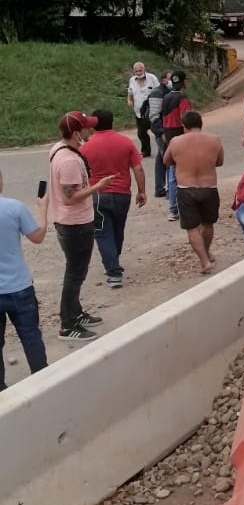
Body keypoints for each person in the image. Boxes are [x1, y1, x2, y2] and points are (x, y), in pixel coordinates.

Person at [49, 111, 115, 341]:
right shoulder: (68, 160)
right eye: (87, 128)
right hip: (75, 223)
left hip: (69, 222)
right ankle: (67, 324)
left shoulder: (61, 149)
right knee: (75, 273)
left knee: (77, 270)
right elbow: (70, 197)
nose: (91, 130)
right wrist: (99, 186)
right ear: (77, 133)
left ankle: (75, 313)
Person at [82, 109, 147, 288]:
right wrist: (142, 191)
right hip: (122, 195)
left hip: (97, 195)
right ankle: (113, 261)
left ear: (94, 124)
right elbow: (138, 168)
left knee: (103, 233)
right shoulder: (125, 142)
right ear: (113, 122)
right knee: (118, 231)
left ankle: (113, 271)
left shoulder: (85, 147)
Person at [0, 167, 49, 391]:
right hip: (19, 286)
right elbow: (37, 237)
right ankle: (42, 384)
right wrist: (43, 209)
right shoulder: (14, 208)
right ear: (0, 180)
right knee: (31, 338)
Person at [163, 111, 224, 274]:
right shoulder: (214, 140)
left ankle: (204, 261)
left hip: (186, 188)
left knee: (192, 228)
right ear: (201, 124)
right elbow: (220, 161)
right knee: (208, 224)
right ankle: (207, 252)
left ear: (184, 126)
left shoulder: (176, 141)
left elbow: (166, 161)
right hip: (209, 187)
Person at [159, 71, 192, 221]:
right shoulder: (183, 98)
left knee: (172, 176)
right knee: (187, 174)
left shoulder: (166, 97)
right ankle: (187, 207)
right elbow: (187, 121)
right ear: (184, 82)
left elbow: (162, 118)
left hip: (169, 138)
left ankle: (172, 209)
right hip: (181, 139)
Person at [147, 70, 173, 198]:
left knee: (161, 158)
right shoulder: (157, 93)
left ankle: (160, 188)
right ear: (164, 79)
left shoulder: (167, 92)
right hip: (162, 132)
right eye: (170, 78)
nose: (172, 81)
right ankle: (170, 190)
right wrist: (162, 132)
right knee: (168, 159)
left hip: (164, 131)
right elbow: (154, 116)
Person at [127, 62, 159, 157]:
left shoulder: (152, 78)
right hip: (139, 112)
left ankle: (164, 148)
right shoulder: (132, 80)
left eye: (140, 70)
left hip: (152, 111)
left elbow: (159, 91)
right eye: (136, 71)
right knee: (141, 133)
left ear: (144, 70)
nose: (138, 73)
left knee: (157, 130)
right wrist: (129, 100)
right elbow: (130, 92)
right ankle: (146, 151)